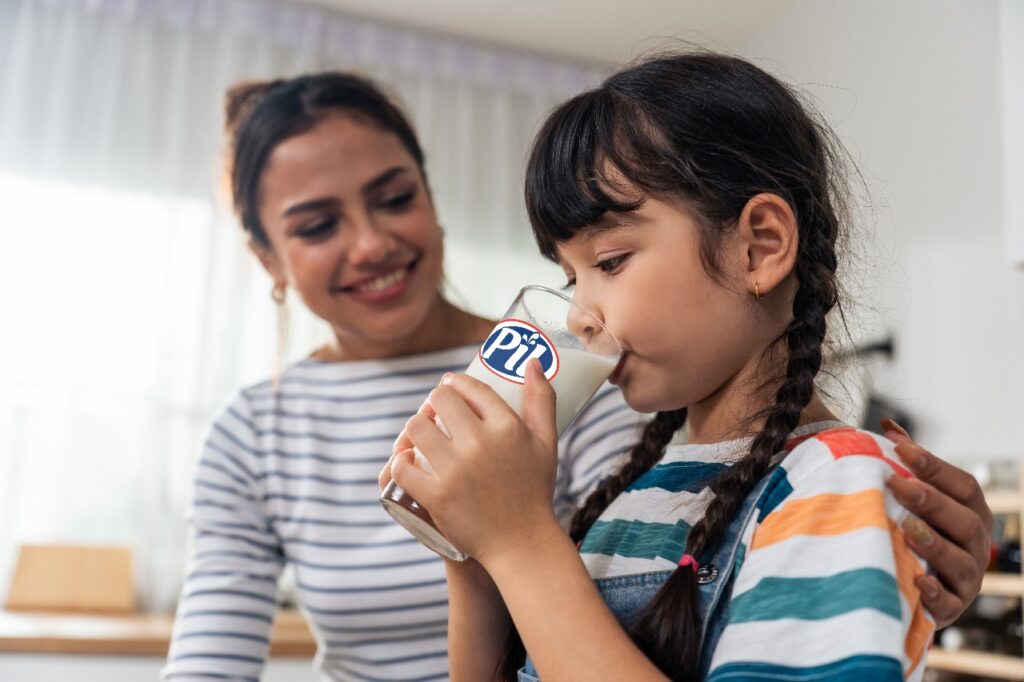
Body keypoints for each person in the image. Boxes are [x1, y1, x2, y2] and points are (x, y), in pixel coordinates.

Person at [165, 70, 987, 682]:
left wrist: (516, 539)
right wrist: (471, 549)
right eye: (570, 277)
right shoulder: (643, 493)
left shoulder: (818, 479)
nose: (582, 316)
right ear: (266, 259)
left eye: (611, 262)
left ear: (761, 246)